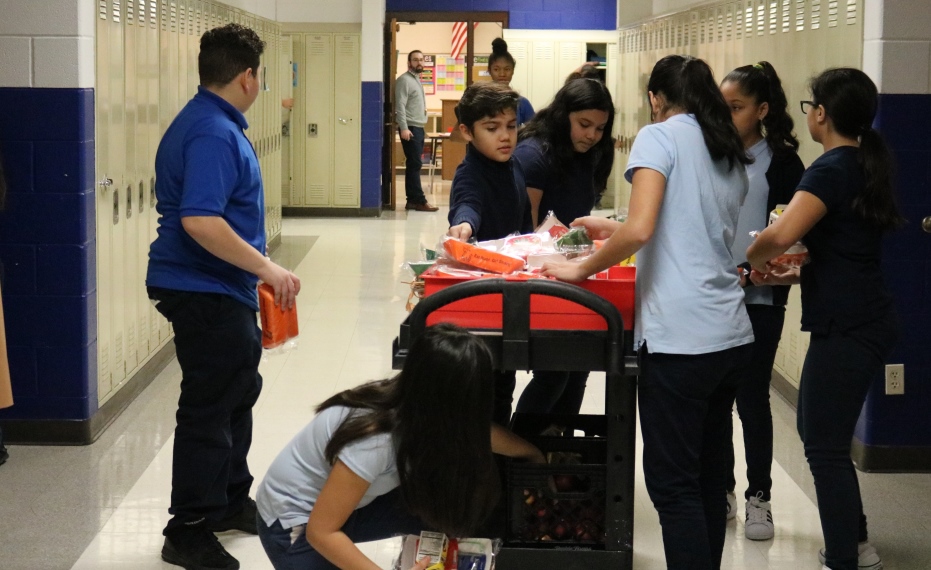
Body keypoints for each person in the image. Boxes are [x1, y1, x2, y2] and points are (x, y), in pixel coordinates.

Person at [542, 55, 754, 569]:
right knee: (707, 477)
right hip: (728, 334)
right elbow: (683, 228)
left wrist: (579, 269)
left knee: (672, 485)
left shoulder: (659, 137)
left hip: (680, 340)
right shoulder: (724, 146)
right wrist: (604, 227)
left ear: (656, 98)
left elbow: (641, 229)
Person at [146, 23, 301, 570]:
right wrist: (268, 269)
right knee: (210, 407)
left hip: (218, 285)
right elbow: (200, 220)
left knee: (238, 390)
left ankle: (232, 498)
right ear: (248, 76)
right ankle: (187, 528)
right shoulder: (213, 132)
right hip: (201, 286)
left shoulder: (210, 121)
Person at [747, 67, 903, 570]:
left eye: (809, 105)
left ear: (823, 114)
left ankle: (845, 558)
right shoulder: (860, 163)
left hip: (849, 326)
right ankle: (854, 542)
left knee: (824, 448)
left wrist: (749, 259)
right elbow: (832, 253)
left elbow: (780, 234)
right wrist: (779, 275)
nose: (808, 113)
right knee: (823, 435)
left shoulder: (830, 169)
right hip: (860, 318)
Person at [255, 323, 544, 569]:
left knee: (451, 510)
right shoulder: (375, 439)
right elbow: (321, 532)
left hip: (349, 503)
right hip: (295, 524)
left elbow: (477, 430)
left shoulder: (417, 401)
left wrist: (532, 454)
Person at [718, 61, 805, 540]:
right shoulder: (714, 155)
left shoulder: (785, 164)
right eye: (723, 106)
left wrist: (753, 274)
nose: (727, 116)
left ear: (762, 109)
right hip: (715, 294)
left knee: (751, 398)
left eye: (737, 107)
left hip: (762, 298)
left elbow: (792, 242)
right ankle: (723, 489)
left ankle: (759, 497)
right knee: (717, 397)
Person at [511, 78, 615, 417]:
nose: (591, 135)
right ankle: (525, 452)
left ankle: (558, 452)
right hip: (540, 275)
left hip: (571, 269)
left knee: (577, 368)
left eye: (600, 128)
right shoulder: (534, 155)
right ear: (563, 115)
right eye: (584, 125)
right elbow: (526, 231)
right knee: (554, 373)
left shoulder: (586, 154)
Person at [447, 81, 532, 426]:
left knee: (503, 386)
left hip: (511, 291)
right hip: (483, 302)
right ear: (467, 132)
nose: (505, 136)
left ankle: (501, 463)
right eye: (492, 128)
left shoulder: (512, 166)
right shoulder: (471, 173)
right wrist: (463, 225)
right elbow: (468, 204)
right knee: (484, 391)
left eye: (511, 126)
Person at [395, 50, 438, 212]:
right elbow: (400, 105)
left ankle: (412, 201)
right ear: (409, 63)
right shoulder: (404, 80)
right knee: (415, 164)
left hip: (418, 127)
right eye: (415, 60)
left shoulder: (416, 80)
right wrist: (404, 127)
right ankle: (419, 200)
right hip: (410, 129)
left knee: (414, 165)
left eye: (421, 60)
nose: (419, 63)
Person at [488, 38, 535, 127]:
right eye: (496, 69)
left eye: (507, 69)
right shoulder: (482, 101)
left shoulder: (521, 103)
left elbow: (534, 131)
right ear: (489, 71)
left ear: (513, 71)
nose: (502, 74)